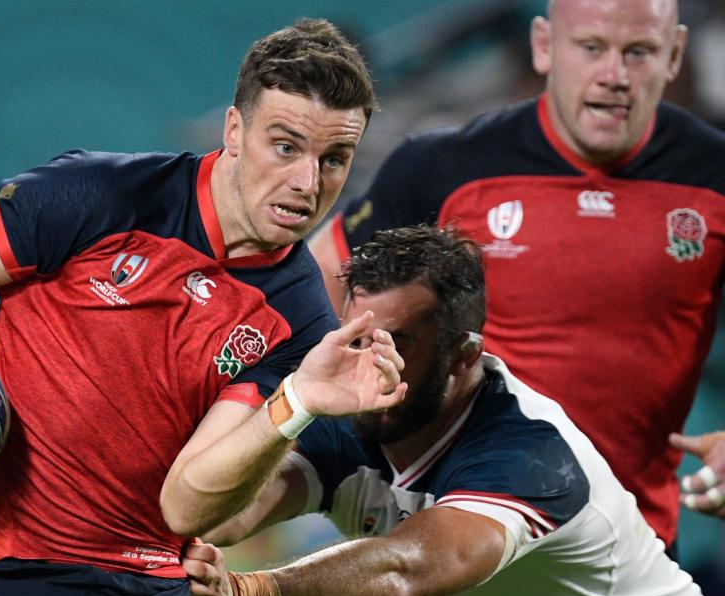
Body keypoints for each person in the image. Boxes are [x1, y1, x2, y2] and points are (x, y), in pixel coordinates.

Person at [0, 19, 408, 596]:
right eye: (285, 147)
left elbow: (185, 504)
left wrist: (299, 403)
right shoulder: (99, 195)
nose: (309, 184)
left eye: (334, 159)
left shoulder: (301, 316)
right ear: (234, 131)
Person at [309, 0, 725, 553]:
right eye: (592, 47)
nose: (613, 76)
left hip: (631, 549)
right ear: (544, 45)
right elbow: (317, 282)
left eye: (639, 52)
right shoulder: (446, 168)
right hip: (464, 527)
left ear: (674, 53)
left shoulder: (713, 180)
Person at [184, 226, 725, 596]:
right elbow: (226, 512)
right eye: (355, 337)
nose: (370, 364)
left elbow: (406, 573)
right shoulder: (357, 418)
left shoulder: (530, 453)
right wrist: (291, 406)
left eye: (398, 342)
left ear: (465, 355)